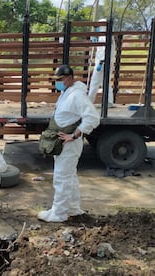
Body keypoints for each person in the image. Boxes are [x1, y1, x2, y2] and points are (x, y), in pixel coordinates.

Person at [38, 64, 100, 223]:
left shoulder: (77, 96)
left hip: (69, 144)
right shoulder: (66, 92)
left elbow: (92, 118)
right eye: (56, 80)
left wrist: (74, 135)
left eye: (60, 79)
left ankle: (59, 213)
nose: (58, 82)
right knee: (69, 176)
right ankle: (72, 208)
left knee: (61, 178)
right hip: (62, 143)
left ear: (70, 78)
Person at [88, 19, 116, 106]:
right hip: (105, 62)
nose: (97, 29)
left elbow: (105, 51)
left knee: (94, 82)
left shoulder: (105, 36)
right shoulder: (106, 35)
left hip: (102, 63)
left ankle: (89, 101)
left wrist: (100, 62)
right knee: (105, 82)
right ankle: (109, 102)